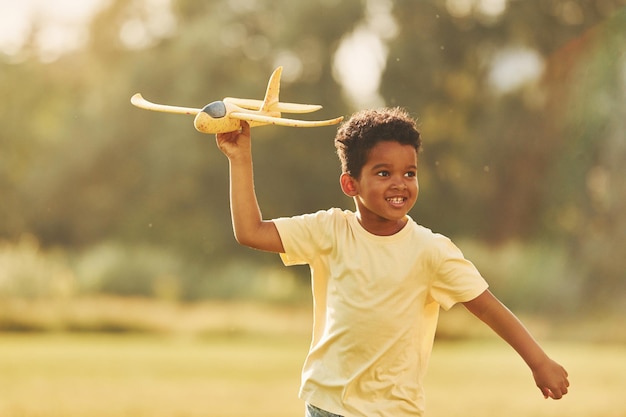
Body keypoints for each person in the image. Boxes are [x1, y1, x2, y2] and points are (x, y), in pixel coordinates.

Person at [215, 107, 569, 417]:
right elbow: (251, 231)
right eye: (383, 173)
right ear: (350, 184)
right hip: (326, 405)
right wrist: (240, 159)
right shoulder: (330, 230)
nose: (399, 184)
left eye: (409, 173)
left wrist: (539, 362)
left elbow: (488, 308)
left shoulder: (432, 250)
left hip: (394, 411)